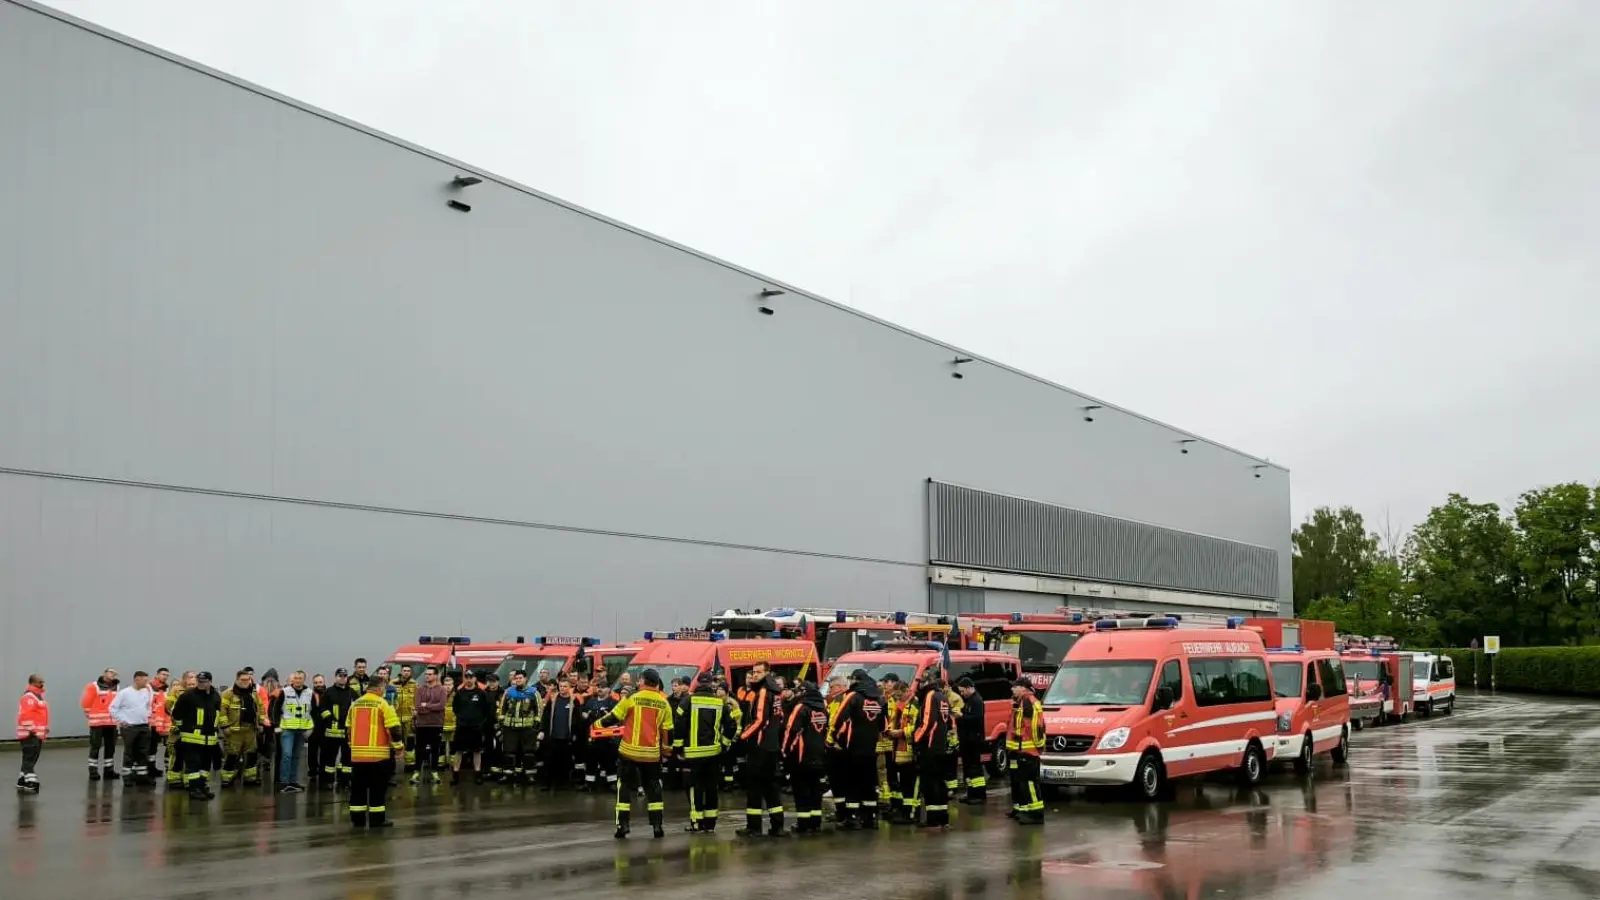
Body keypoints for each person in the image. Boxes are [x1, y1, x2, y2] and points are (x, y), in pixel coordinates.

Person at [596, 668, 671, 840]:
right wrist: (666, 750)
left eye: (640, 679)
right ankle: (657, 825)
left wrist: (596, 725)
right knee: (654, 787)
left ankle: (623, 825)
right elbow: (668, 730)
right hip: (652, 754)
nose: (637, 682)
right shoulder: (664, 703)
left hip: (629, 752)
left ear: (643, 681)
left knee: (623, 787)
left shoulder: (632, 698)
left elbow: (614, 717)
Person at [828, 669, 885, 829]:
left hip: (853, 746)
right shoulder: (879, 699)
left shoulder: (853, 696)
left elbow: (839, 718)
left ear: (856, 680)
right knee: (869, 783)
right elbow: (883, 724)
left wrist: (834, 738)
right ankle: (870, 818)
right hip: (871, 748)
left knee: (852, 783)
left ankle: (852, 818)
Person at [345, 671, 403, 829]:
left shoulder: (355, 704)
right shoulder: (383, 704)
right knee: (377, 790)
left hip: (358, 756)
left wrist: (352, 746)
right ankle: (377, 820)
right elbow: (394, 729)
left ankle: (357, 819)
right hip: (378, 757)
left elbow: (348, 728)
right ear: (380, 687)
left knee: (358, 789)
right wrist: (398, 748)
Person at [737, 662, 786, 838]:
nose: (755, 675)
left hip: (760, 746)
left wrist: (742, 737)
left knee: (754, 788)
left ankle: (754, 827)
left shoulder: (764, 691)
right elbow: (780, 718)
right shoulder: (776, 692)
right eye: (753, 672)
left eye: (758, 672)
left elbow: (759, 720)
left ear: (767, 673)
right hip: (772, 746)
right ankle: (777, 826)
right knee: (771, 787)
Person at [682, 673, 732, 833]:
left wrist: (678, 748)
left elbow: (679, 725)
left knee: (695, 787)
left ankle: (697, 822)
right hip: (714, 753)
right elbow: (731, 726)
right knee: (711, 787)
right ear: (711, 684)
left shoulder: (688, 701)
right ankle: (710, 824)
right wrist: (724, 745)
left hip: (693, 754)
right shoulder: (720, 703)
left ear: (697, 683)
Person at [782, 679, 829, 834]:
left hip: (801, 757)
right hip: (819, 756)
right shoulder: (823, 708)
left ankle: (803, 824)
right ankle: (815, 823)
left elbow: (791, 731)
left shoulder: (801, 708)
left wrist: (785, 751)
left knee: (801, 791)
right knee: (816, 790)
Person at [909, 672, 954, 829]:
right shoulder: (943, 697)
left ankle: (933, 820)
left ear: (926, 683)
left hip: (929, 747)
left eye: (920, 682)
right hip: (940, 746)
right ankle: (943, 818)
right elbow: (950, 722)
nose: (919, 685)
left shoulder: (930, 696)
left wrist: (915, 739)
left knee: (930, 783)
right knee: (940, 783)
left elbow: (927, 722)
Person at [171, 672, 222, 800]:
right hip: (191, 737)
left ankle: (202, 787)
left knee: (205, 766)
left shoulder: (215, 696)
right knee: (193, 765)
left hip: (209, 738)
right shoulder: (188, 696)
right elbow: (176, 714)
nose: (201, 684)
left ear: (210, 682)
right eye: (199, 682)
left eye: (204, 682)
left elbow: (217, 715)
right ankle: (194, 789)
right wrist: (183, 728)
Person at [1007, 679, 1045, 825]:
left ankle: (1035, 814)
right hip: (1019, 750)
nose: (1012, 689)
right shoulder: (1021, 702)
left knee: (1030, 783)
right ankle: (1023, 810)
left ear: (1023, 688)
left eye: (1015, 687)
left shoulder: (1028, 702)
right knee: (1021, 782)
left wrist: (1038, 746)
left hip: (1028, 751)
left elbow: (1034, 727)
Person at [110, 670, 156, 787]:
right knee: (129, 752)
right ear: (137, 680)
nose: (147, 683)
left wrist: (148, 717)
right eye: (144, 680)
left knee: (143, 752)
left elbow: (148, 706)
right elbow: (113, 708)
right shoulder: (124, 693)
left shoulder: (147, 691)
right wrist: (122, 720)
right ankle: (127, 776)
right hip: (130, 727)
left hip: (143, 726)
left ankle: (141, 776)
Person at [273, 670, 314, 793]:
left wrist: (311, 728)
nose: (297, 680)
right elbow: (276, 709)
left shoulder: (309, 693)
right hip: (287, 729)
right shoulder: (285, 692)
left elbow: (314, 712)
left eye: (300, 678)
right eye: (295, 678)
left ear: (304, 680)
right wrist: (277, 725)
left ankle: (293, 781)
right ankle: (284, 782)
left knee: (296, 757)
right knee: (287, 755)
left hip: (302, 730)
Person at [220, 670, 263, 788]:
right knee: (232, 755)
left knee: (251, 754)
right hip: (234, 731)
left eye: (247, 680)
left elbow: (260, 708)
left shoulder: (253, 693)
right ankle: (227, 778)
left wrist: (261, 723)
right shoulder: (228, 694)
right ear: (237, 680)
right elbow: (222, 711)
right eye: (242, 680)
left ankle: (250, 778)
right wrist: (225, 726)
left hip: (250, 730)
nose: (245, 682)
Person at [498, 671, 542, 784]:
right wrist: (501, 722)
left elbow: (539, 709)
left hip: (528, 728)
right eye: (516, 678)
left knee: (528, 753)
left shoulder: (533, 692)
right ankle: (508, 775)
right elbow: (502, 708)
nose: (518, 680)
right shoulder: (508, 692)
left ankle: (530, 775)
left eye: (520, 678)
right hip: (510, 728)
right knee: (509, 752)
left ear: (525, 679)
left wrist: (537, 723)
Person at [451, 670, 494, 784]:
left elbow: (486, 710)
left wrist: (480, 723)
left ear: (475, 679)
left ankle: (478, 774)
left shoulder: (481, 693)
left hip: (476, 728)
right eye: (467, 677)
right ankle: (455, 775)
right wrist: (461, 719)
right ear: (464, 679)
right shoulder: (459, 693)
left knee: (477, 751)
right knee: (458, 751)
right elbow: (455, 708)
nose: (469, 680)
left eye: (471, 677)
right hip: (462, 727)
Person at [318, 669, 357, 789]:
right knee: (330, 758)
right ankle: (328, 781)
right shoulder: (328, 692)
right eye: (340, 676)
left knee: (347, 758)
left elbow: (357, 708)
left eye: (345, 676)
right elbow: (323, 709)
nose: (342, 678)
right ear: (335, 677)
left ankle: (345, 781)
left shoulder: (352, 692)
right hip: (332, 731)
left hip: (348, 731)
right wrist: (330, 719)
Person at [539, 679, 580, 791]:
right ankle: (546, 783)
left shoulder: (574, 700)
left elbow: (577, 719)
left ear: (569, 687)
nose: (562, 688)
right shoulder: (553, 699)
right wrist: (542, 730)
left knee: (565, 761)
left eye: (565, 686)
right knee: (549, 761)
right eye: (561, 686)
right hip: (553, 736)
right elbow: (545, 716)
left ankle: (563, 783)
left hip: (566, 737)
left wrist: (575, 733)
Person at [411, 667, 448, 785]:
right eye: (426, 674)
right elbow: (418, 707)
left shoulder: (442, 690)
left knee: (435, 749)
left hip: (436, 724)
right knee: (419, 749)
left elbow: (441, 706)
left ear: (436, 676)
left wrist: (426, 705)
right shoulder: (420, 689)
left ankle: (434, 772)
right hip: (421, 725)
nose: (427, 676)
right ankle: (416, 772)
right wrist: (431, 707)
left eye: (430, 674)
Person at [81, 668, 120, 781]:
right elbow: (86, 702)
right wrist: (91, 715)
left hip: (111, 723)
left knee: (110, 747)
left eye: (115, 673)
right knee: (95, 747)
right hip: (97, 723)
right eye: (111, 672)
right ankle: (93, 771)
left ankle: (109, 770)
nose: (113, 675)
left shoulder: (116, 687)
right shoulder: (94, 686)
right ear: (104, 673)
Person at [954, 677, 987, 804]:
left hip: (974, 740)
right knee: (968, 768)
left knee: (975, 768)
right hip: (967, 740)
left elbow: (976, 719)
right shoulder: (969, 701)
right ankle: (971, 793)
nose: (962, 694)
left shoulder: (977, 701)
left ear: (969, 688)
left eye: (963, 691)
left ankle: (979, 795)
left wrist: (961, 716)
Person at [886, 678, 915, 822]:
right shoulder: (901, 705)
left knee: (908, 782)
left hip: (909, 748)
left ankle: (909, 813)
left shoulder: (914, 705)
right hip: (898, 748)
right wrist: (890, 731)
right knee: (902, 782)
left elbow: (917, 726)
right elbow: (894, 721)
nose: (897, 699)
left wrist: (901, 732)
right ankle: (902, 810)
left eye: (899, 695)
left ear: (907, 691)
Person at [15, 674, 49, 794]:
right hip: (29, 734)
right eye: (40, 682)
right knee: (30, 757)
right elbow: (25, 716)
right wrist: (32, 729)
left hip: (35, 733)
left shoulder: (37, 697)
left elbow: (39, 716)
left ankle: (22, 779)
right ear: (33, 683)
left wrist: (43, 729)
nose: (42, 684)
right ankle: (31, 781)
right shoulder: (29, 697)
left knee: (30, 757)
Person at [585, 685, 622, 792]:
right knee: (591, 761)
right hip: (593, 738)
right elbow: (584, 714)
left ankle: (612, 784)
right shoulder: (591, 701)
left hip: (608, 738)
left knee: (610, 762)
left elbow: (617, 719)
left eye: (603, 687)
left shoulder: (613, 702)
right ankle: (589, 784)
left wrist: (607, 714)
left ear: (609, 690)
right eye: (598, 687)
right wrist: (585, 715)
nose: (600, 689)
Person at [163, 672, 196, 788]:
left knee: (191, 755)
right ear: (184, 679)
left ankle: (188, 780)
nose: (192, 682)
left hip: (193, 729)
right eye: (190, 678)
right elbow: (168, 707)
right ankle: (174, 778)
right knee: (176, 753)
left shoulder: (199, 692)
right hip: (177, 729)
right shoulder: (176, 690)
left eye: (194, 679)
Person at [388, 665, 418, 770]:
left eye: (408, 671)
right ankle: (391, 765)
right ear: (401, 671)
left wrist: (416, 712)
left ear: (411, 672)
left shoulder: (414, 683)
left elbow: (417, 699)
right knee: (394, 742)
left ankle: (409, 765)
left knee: (410, 742)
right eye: (404, 670)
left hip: (409, 718)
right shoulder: (393, 683)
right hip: (395, 718)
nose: (406, 672)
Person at [148, 669, 172, 779]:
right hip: (150, 723)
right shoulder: (149, 687)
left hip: (160, 723)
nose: (165, 676)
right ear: (157, 675)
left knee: (154, 747)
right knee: (149, 747)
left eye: (167, 675)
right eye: (163, 674)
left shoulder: (165, 689)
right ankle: (147, 768)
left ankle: (151, 767)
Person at [440, 674, 457, 781]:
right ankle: (441, 764)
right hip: (441, 723)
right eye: (446, 685)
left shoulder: (457, 695)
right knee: (441, 745)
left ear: (453, 685)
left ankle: (452, 764)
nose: (448, 687)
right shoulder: (439, 694)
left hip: (453, 724)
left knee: (452, 745)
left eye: (450, 685)